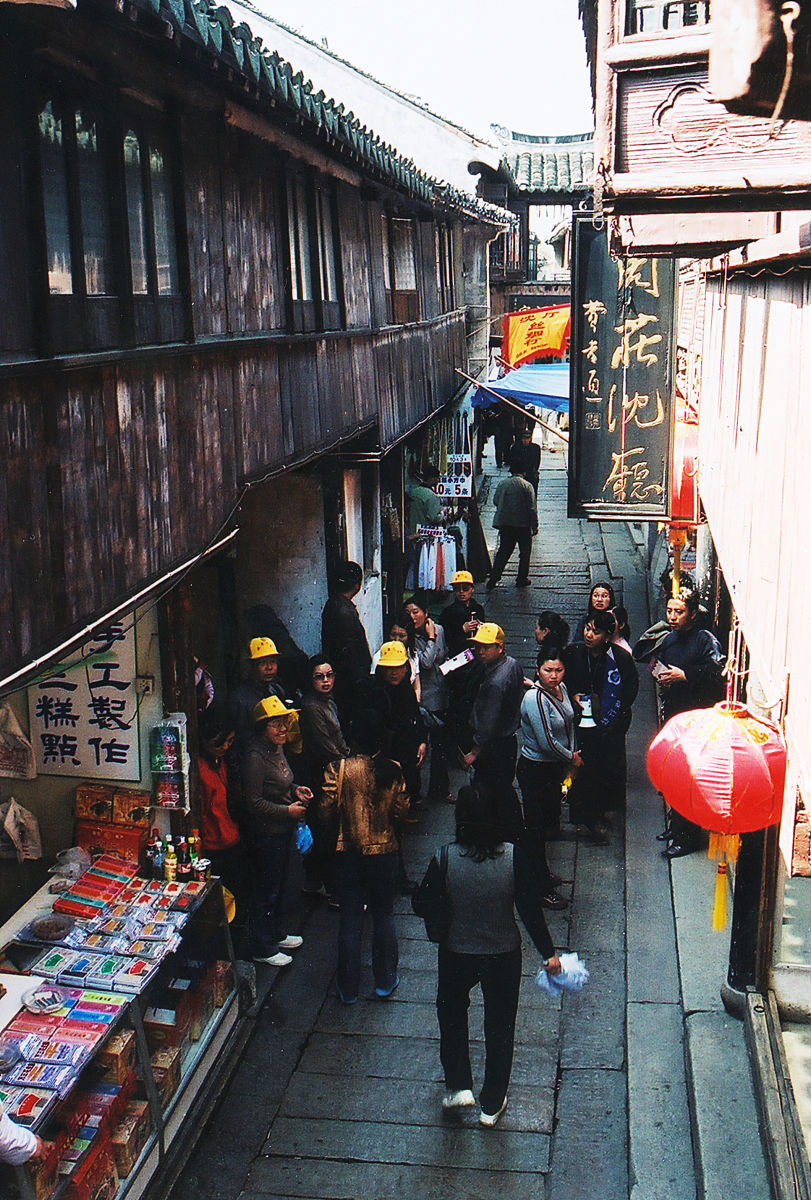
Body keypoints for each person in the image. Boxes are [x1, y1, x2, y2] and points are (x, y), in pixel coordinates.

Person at [427, 783, 561, 1125]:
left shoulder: (444, 858)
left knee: (451, 1014)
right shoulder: (513, 858)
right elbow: (529, 909)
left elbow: (421, 901)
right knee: (500, 1025)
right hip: (503, 953)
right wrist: (548, 953)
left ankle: (459, 1085)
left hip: (456, 951)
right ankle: (492, 1102)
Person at [319, 710, 409, 1004]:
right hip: (384, 852)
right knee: (384, 915)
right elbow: (401, 811)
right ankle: (385, 980)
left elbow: (325, 810)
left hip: (349, 853)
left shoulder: (338, 769)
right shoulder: (392, 770)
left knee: (351, 918)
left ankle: (348, 988)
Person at [648, 589, 726, 858]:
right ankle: (676, 825)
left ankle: (688, 837)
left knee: (689, 777)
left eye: (679, 612)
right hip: (673, 714)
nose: (672, 617)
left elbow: (718, 672)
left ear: (692, 614)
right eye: (669, 611)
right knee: (672, 772)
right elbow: (655, 660)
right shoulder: (670, 638)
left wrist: (686, 675)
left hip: (695, 718)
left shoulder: (705, 640)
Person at [241, 696, 313, 967]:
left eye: (285, 723)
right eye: (276, 725)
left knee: (279, 884)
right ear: (262, 728)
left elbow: (283, 782)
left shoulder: (277, 748)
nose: (283, 729)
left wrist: (296, 790)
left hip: (283, 830)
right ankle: (262, 947)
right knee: (266, 890)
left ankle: (276, 933)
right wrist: (287, 812)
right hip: (266, 833)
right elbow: (253, 802)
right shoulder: (255, 757)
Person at [564, 610, 639, 841]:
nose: (589, 635)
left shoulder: (620, 658)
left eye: (595, 632)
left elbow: (630, 691)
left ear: (607, 636)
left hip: (608, 726)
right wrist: (574, 695)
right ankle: (585, 815)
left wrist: (607, 708)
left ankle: (598, 814)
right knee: (582, 769)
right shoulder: (574, 653)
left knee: (603, 770)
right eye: (587, 629)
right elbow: (564, 681)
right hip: (580, 722)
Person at [517, 645, 582, 909]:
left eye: (559, 670)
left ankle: (541, 873)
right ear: (538, 670)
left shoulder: (561, 689)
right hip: (536, 769)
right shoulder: (534, 699)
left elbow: (569, 724)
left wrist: (570, 754)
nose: (553, 675)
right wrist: (571, 757)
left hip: (553, 768)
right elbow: (546, 742)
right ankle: (539, 887)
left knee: (544, 826)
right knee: (535, 830)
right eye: (548, 670)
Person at [461, 623, 525, 840]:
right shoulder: (512, 664)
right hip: (508, 740)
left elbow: (487, 721)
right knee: (503, 789)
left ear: (499, 647)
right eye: (478, 646)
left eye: (486, 647)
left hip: (493, 745)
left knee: (491, 793)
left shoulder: (495, 682)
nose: (480, 651)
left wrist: (475, 751)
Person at [197, 704, 249, 953]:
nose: (226, 747)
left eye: (229, 741)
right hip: (213, 844)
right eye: (220, 743)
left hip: (231, 837)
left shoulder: (221, 761)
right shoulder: (199, 769)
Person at [298, 656, 350, 899]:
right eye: (319, 677)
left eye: (329, 675)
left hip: (334, 767)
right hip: (320, 773)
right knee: (324, 830)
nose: (326, 681)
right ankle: (328, 887)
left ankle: (317, 881)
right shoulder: (311, 706)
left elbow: (338, 737)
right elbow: (325, 745)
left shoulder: (329, 701)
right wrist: (347, 762)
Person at [366, 640, 427, 811]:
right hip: (389, 755)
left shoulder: (406, 689)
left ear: (405, 668)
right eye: (389, 668)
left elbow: (416, 715)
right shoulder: (375, 694)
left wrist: (422, 741)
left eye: (398, 667)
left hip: (408, 751)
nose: (394, 673)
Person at [404, 591, 451, 804]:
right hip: (423, 698)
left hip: (441, 692)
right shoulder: (410, 637)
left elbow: (443, 653)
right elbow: (425, 663)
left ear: (425, 613)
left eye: (416, 612)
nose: (412, 617)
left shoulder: (439, 629)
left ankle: (440, 790)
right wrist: (431, 639)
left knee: (440, 746)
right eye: (408, 613)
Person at [321, 561, 372, 722]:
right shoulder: (344, 612)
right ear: (357, 586)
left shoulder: (334, 604)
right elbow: (351, 653)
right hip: (349, 680)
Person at [227, 636, 287, 755]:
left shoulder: (277, 690)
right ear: (251, 666)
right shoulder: (239, 699)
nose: (269, 668)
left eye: (273, 662)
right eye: (262, 663)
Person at [486, 464, 538, 591]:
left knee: (503, 551)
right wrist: (535, 525)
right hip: (523, 524)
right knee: (525, 553)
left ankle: (494, 577)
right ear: (524, 473)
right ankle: (521, 578)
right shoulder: (527, 486)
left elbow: (496, 501)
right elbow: (532, 508)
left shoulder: (503, 484)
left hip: (506, 524)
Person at [370, 612, 420, 700]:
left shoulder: (413, 654)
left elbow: (417, 686)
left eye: (402, 636)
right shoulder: (380, 657)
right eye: (393, 635)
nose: (397, 640)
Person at [439, 571, 485, 659]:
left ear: (472, 589)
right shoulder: (447, 612)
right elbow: (446, 639)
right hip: (458, 654)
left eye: (465, 589)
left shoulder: (478, 609)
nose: (461, 592)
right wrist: (462, 630)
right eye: (457, 589)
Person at [507, 425, 541, 498]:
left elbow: (536, 463)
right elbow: (513, 462)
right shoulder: (515, 448)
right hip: (518, 473)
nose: (525, 441)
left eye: (527, 438)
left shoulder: (535, 448)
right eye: (524, 438)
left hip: (530, 473)